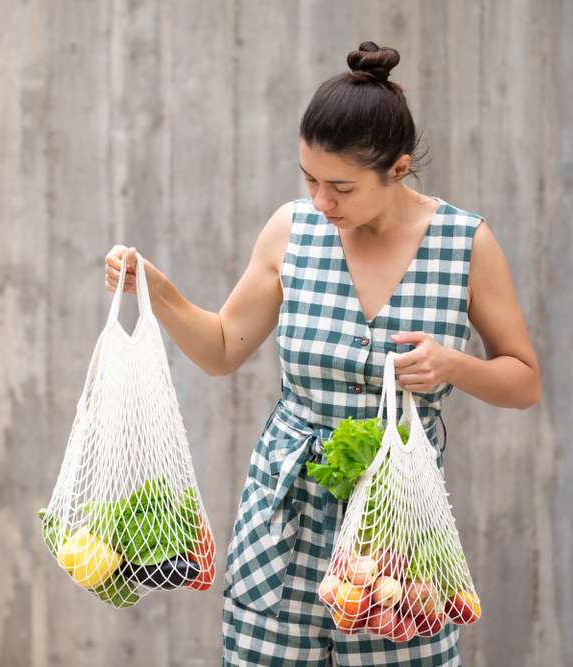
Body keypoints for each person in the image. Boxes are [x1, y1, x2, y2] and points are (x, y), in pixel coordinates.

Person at [103, 41, 541, 667]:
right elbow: (224, 349)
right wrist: (158, 288)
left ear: (399, 168)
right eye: (309, 178)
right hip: (282, 522)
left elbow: (523, 381)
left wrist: (453, 366)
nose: (321, 202)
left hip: (395, 536)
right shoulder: (291, 230)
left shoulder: (464, 243)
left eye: (341, 186)